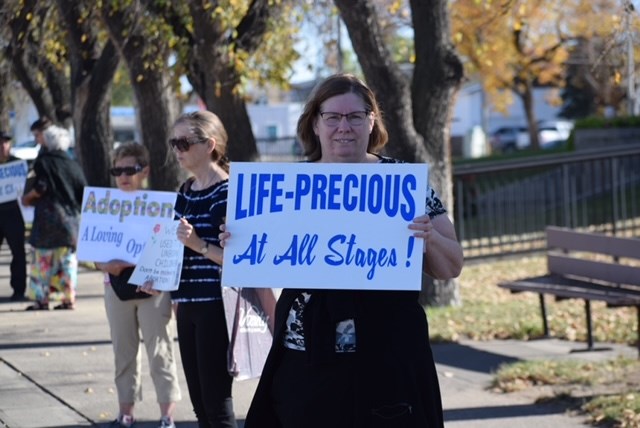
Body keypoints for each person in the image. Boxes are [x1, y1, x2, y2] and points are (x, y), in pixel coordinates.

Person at [222, 73, 464, 428]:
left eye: (354, 116)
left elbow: (452, 266)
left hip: (385, 357)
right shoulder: (290, 187)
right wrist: (240, 242)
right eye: (332, 117)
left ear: (371, 121)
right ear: (315, 124)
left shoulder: (403, 183)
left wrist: (430, 238)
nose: (343, 127)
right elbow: (263, 264)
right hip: (306, 356)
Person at [142, 111, 237, 428]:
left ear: (209, 144)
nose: (177, 150)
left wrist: (198, 244)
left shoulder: (227, 192)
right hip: (187, 303)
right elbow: (174, 247)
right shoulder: (186, 190)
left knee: (217, 403)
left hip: (215, 305)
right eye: (174, 142)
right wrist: (157, 274)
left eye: (183, 142)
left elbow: (240, 259)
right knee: (199, 405)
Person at [94, 142, 181, 428]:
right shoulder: (105, 207)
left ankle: (167, 416)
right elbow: (94, 252)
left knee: (160, 351)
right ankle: (125, 414)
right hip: (115, 287)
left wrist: (157, 275)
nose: (123, 175)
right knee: (123, 352)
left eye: (130, 169)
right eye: (117, 170)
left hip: (153, 289)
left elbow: (169, 250)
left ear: (144, 171)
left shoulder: (159, 207)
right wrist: (107, 265)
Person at [21, 125, 86, 310]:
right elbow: (83, 192)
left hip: (47, 219)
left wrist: (27, 198)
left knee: (43, 259)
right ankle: (68, 298)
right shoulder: (73, 164)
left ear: (48, 142)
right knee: (67, 261)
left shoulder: (43, 162)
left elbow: (41, 187)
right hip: (70, 221)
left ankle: (42, 299)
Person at [0, 131, 27, 301]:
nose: (3, 146)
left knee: (18, 252)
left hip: (13, 214)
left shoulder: (17, 164)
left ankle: (18, 290)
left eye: (5, 143)